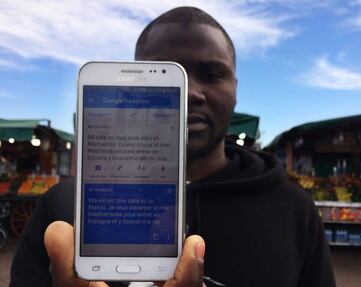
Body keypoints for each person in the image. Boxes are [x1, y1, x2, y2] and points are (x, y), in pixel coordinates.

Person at [10, 6, 336, 287]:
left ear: (235, 88)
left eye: (211, 74)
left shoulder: (293, 209)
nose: (191, 92)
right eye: (167, 74)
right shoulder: (65, 209)